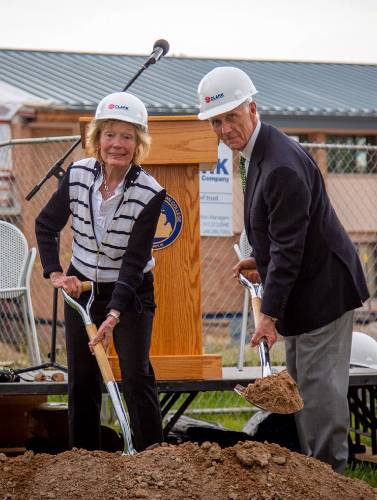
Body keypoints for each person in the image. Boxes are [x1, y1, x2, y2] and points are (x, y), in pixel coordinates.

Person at [197, 66, 369, 474]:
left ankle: (331, 479)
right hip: (303, 286)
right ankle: (313, 475)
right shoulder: (259, 153)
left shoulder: (280, 165)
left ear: (252, 109)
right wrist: (262, 262)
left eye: (230, 117)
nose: (223, 129)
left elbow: (291, 248)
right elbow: (286, 234)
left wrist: (268, 315)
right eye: (215, 122)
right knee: (302, 390)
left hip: (322, 294)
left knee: (319, 393)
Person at [35, 91, 165, 452]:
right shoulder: (77, 175)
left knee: (136, 376)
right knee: (82, 379)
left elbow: (134, 262)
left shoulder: (150, 193)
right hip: (82, 289)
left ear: (139, 142)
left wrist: (113, 313)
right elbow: (47, 225)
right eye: (109, 134)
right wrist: (56, 274)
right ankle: (84, 461)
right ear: (97, 138)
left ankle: (152, 460)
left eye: (127, 136)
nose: (117, 144)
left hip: (131, 292)